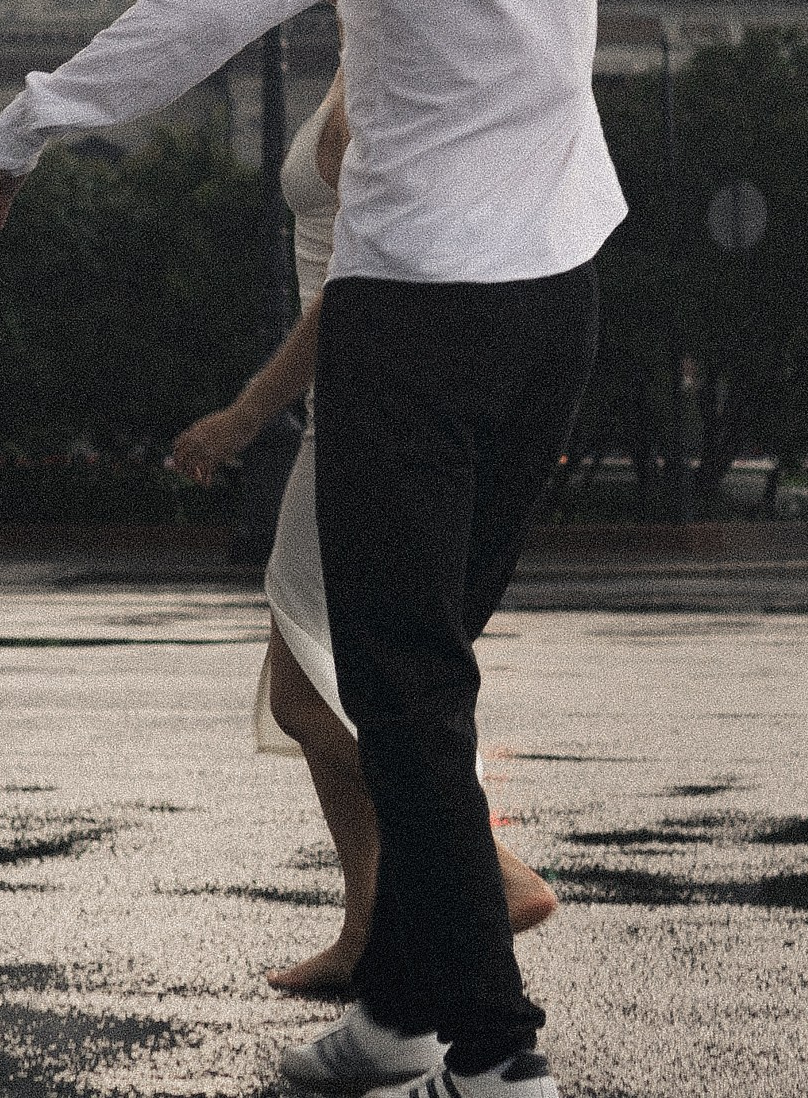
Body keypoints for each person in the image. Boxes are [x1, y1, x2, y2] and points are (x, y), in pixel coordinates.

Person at [0, 0, 678, 1098]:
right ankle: (398, 1015)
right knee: (428, 670)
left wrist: (33, 118)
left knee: (404, 684)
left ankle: (497, 1051)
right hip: (560, 304)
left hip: (413, 312)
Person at [170, 57, 558, 997]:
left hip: (361, 404)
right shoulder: (361, 59)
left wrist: (244, 415)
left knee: (307, 696)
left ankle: (482, 867)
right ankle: (368, 928)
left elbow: (352, 290)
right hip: (353, 403)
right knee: (324, 685)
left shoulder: (388, 80)